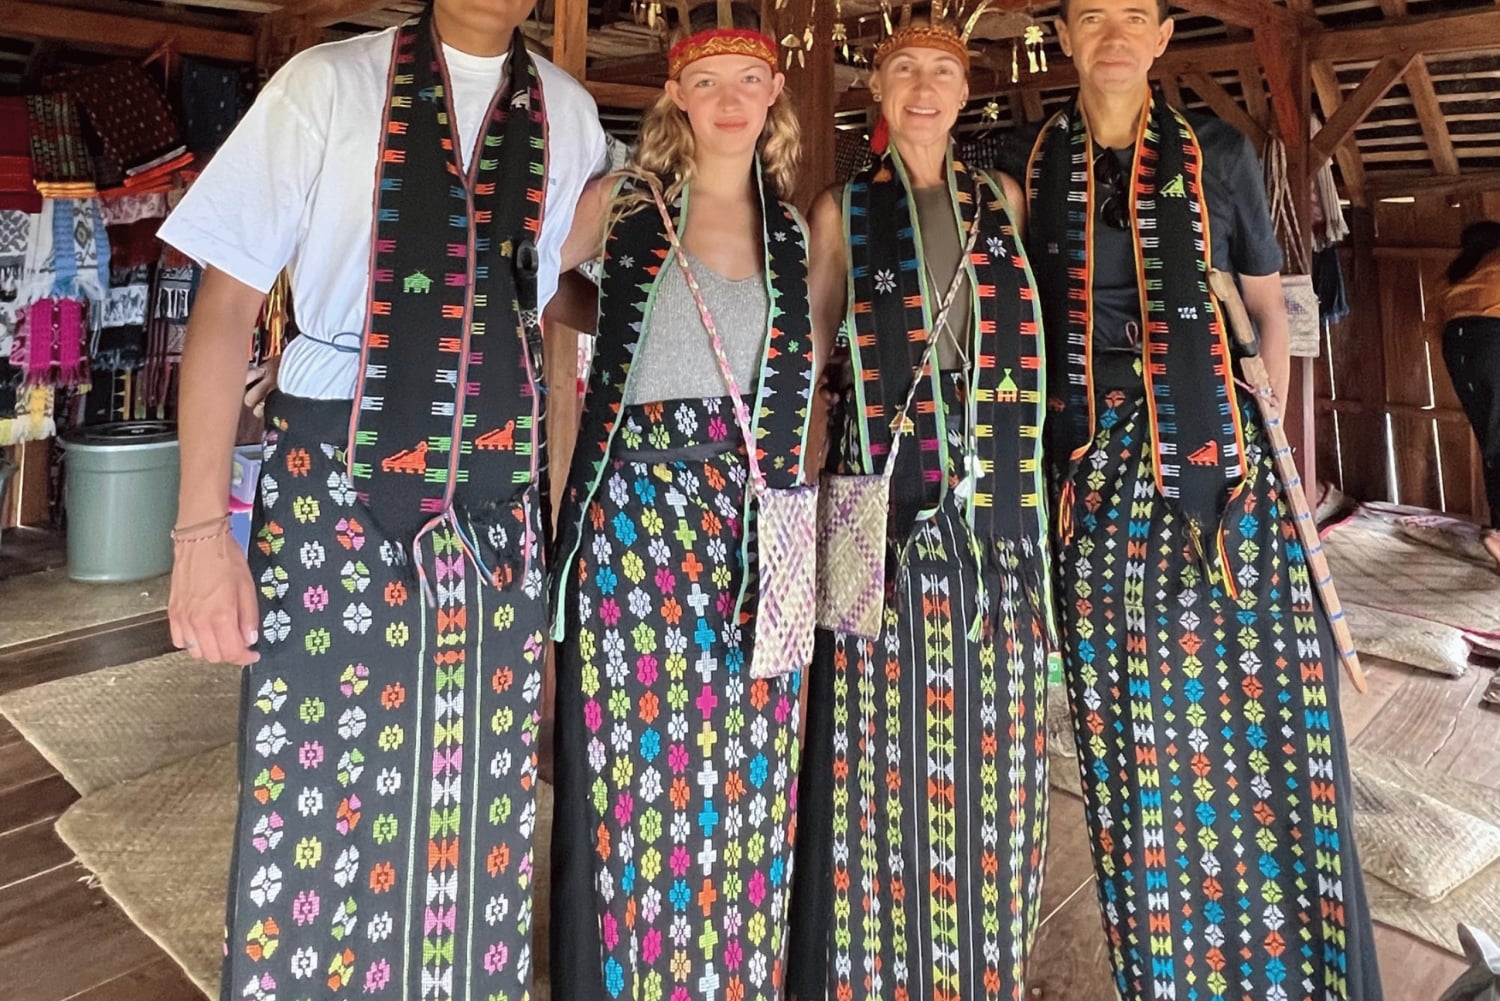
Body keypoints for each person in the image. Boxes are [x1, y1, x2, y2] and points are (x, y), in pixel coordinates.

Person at [157, 0, 607, 995]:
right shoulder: (330, 84)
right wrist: (200, 534)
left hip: (495, 504)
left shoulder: (570, 115)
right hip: (335, 484)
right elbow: (227, 302)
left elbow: (548, 287)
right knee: (314, 795)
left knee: (479, 803)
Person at [1026, 1, 1385, 998]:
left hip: (1211, 459)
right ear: (1062, 37)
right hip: (1085, 462)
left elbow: (1268, 309)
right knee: (1124, 718)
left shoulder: (1214, 151)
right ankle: (1168, 965)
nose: (1112, 32)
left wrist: (1256, 451)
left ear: (1162, 37)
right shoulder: (1031, 159)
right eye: (1090, 14)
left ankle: (1288, 963)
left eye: (1132, 13)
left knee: (1248, 702)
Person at [546, 6, 823, 999]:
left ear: (774, 95)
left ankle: (731, 972)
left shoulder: (791, 233)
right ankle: (632, 972)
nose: (729, 100)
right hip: (634, 523)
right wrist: (612, 315)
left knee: (750, 766)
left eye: (749, 81)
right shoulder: (624, 201)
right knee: (639, 765)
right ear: (676, 97)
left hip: (754, 529)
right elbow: (533, 280)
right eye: (707, 82)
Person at [785, 18, 1053, 1001]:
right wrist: (791, 494)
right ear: (879, 89)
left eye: (942, 72)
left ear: (966, 88)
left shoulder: (1004, 202)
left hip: (996, 498)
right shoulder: (842, 209)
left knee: (1000, 728)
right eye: (905, 70)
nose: (924, 88)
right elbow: (808, 358)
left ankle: (984, 957)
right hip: (873, 495)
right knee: (869, 731)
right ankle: (869, 961)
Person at [1442, 220, 1500, 564]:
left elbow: (1435, 323)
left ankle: (1498, 529)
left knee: (1493, 442)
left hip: (1458, 345)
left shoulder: (1458, 271)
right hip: (1494, 337)